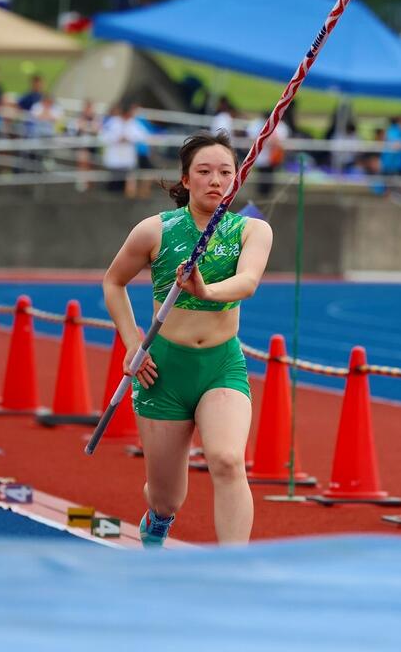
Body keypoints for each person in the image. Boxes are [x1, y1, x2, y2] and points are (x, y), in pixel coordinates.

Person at [102, 132, 273, 546]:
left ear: (237, 179)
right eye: (204, 171)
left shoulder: (252, 230)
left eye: (225, 172)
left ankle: (233, 569)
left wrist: (206, 291)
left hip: (221, 367)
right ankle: (157, 522)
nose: (215, 180)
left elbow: (247, 283)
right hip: (162, 372)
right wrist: (132, 344)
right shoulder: (154, 231)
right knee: (166, 498)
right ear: (185, 180)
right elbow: (113, 283)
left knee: (229, 461)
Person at [98, 99, 148, 196]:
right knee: (114, 183)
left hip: (127, 158)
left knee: (126, 181)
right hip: (115, 157)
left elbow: (142, 136)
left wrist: (129, 138)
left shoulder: (133, 123)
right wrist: (116, 138)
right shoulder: (114, 122)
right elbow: (103, 136)